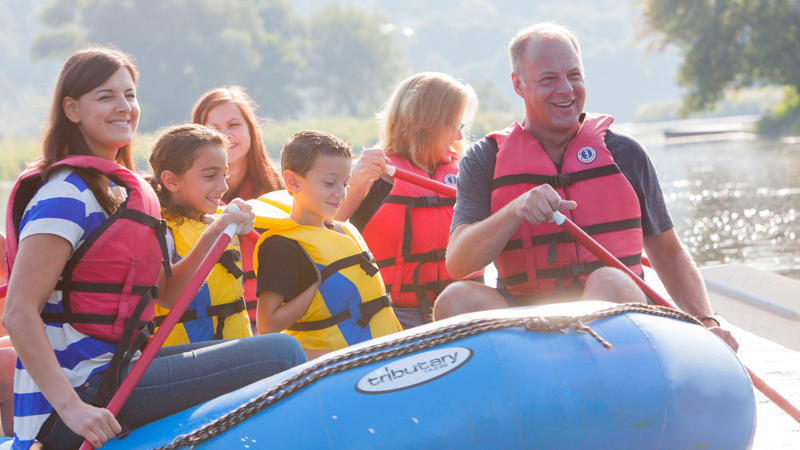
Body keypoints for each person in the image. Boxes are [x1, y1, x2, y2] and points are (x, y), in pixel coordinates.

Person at [1, 46, 305, 450]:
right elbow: (19, 311)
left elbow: (166, 294)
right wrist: (74, 409)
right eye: (105, 96)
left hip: (118, 370)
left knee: (270, 353)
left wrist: (220, 228)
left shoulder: (125, 193)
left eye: (129, 95)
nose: (123, 106)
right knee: (281, 353)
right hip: (79, 396)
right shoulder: (64, 195)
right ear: (72, 109)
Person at [434, 23, 737, 351]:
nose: (566, 89)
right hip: (526, 328)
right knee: (457, 298)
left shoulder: (624, 152)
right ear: (518, 84)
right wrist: (514, 210)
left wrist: (706, 322)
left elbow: (668, 252)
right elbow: (459, 264)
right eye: (549, 79)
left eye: (574, 75)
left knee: (610, 280)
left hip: (616, 323)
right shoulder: (485, 160)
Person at [336, 73, 484, 328]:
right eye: (454, 126)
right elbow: (321, 233)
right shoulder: (374, 174)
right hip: (388, 316)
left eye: (462, 127)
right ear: (425, 124)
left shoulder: (468, 171)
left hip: (460, 310)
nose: (460, 137)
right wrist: (354, 183)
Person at [254, 131, 402, 360]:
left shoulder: (345, 229)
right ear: (293, 181)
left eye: (345, 183)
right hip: (337, 367)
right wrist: (312, 286)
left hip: (384, 357)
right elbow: (268, 325)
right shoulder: (281, 246)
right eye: (330, 183)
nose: (341, 193)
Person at [149, 124, 253, 346]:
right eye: (210, 176)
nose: (223, 186)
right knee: (284, 350)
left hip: (234, 346)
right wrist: (214, 234)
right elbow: (167, 298)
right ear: (171, 181)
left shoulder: (213, 223)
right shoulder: (158, 229)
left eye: (224, 174)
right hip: (185, 358)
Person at [192, 86, 284, 333]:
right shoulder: (183, 203)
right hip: (212, 327)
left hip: (274, 323)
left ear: (251, 130)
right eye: (213, 129)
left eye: (234, 125)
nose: (225, 135)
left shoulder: (283, 193)